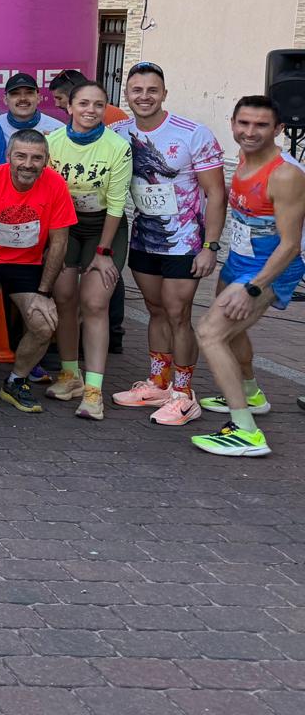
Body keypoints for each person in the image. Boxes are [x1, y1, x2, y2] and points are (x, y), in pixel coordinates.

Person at [106, 64, 228, 424]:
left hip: (185, 240)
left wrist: (211, 246)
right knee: (156, 309)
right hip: (146, 237)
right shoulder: (117, 132)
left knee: (178, 314)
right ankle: (159, 383)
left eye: (152, 90)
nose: (144, 97)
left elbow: (217, 194)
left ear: (164, 93)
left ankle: (184, 393)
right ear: (126, 94)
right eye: (136, 90)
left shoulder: (193, 134)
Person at [189, 97, 305, 458]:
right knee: (231, 331)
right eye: (244, 123)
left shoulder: (285, 174)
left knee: (209, 332)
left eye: (260, 125)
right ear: (233, 123)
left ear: (279, 130)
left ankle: (245, 431)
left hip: (269, 269)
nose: (250, 132)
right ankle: (251, 395)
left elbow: (289, 245)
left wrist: (255, 288)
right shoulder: (243, 156)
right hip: (240, 260)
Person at [0, 129, 76, 412]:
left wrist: (45, 293)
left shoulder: (56, 185)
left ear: (46, 160)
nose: (28, 164)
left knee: (44, 323)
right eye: (20, 156)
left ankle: (15, 380)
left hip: (27, 264)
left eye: (36, 158)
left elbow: (60, 242)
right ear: (9, 156)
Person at [42, 80, 132, 419]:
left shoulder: (117, 146)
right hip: (66, 226)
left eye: (98, 104)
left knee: (95, 303)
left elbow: (118, 204)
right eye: (84, 103)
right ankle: (70, 376)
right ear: (69, 107)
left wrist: (103, 252)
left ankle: (94, 392)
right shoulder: (52, 143)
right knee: (63, 298)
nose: (90, 110)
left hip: (104, 228)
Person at [0, 72, 62, 138]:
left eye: (29, 93)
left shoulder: (57, 129)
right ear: (5, 99)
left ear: (38, 98)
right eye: (15, 93)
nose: (23, 98)